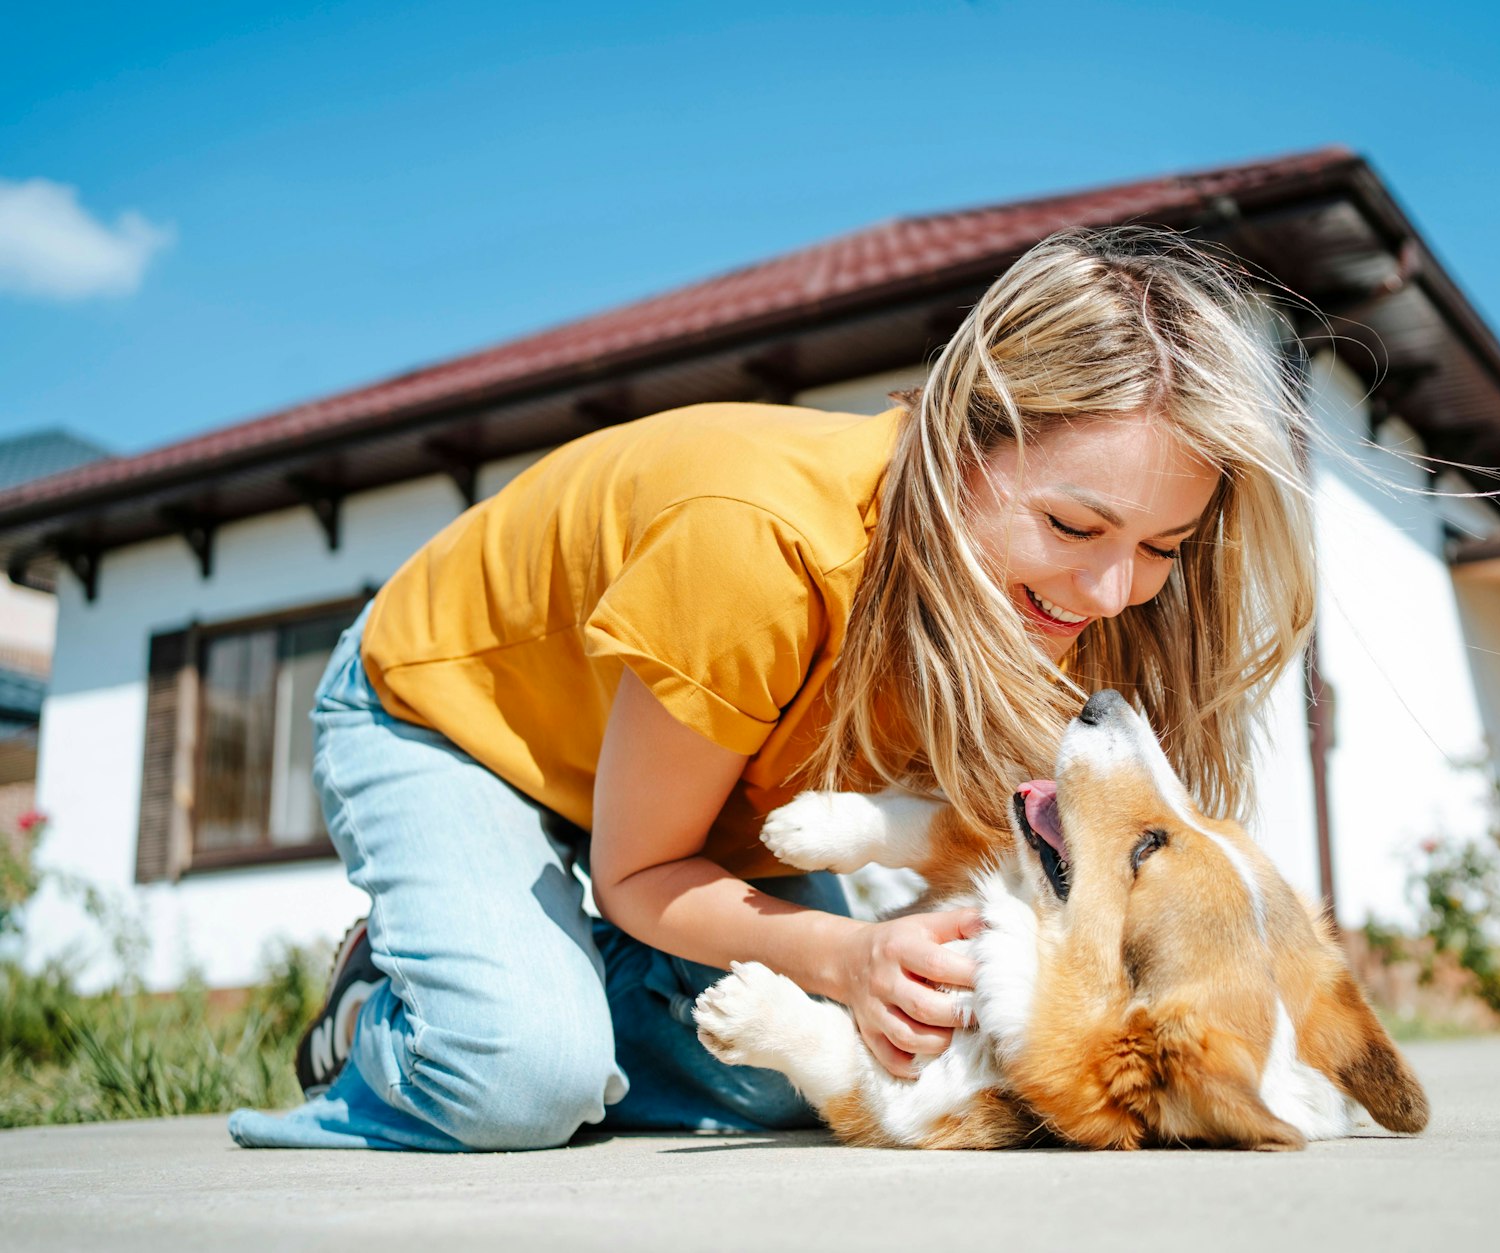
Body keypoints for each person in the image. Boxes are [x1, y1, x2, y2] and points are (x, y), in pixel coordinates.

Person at [226, 225, 1318, 1151]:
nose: (1110, 588)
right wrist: (845, 955)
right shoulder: (757, 551)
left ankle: (543, 969)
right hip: (452, 718)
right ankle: (387, 1009)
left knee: (770, 1079)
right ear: (962, 437)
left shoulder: (1057, 597)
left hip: (688, 791)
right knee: (520, 1079)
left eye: (1163, 545)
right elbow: (643, 866)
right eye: (1073, 525)